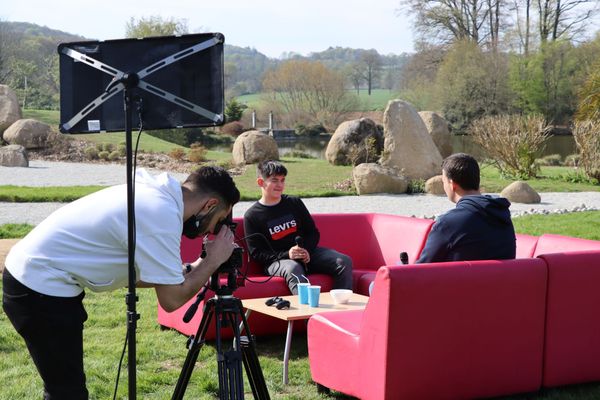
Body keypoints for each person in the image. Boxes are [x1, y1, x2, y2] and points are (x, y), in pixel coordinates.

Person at [2, 165, 240, 399]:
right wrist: (213, 261)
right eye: (218, 220)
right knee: (66, 391)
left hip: (38, 277)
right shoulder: (161, 214)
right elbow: (171, 299)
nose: (211, 230)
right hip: (38, 286)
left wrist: (198, 265)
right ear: (210, 205)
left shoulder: (155, 194)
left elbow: (150, 276)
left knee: (65, 387)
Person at [243, 160, 353, 294]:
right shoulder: (252, 216)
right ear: (261, 182)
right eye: (274, 180)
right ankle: (307, 313)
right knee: (294, 269)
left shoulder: (294, 203)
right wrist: (287, 254)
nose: (280, 185)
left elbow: (313, 233)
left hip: (306, 254)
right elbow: (257, 254)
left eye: (282, 180)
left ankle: (340, 309)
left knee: (343, 261)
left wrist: (306, 250)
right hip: (277, 261)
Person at [416, 153, 516, 263]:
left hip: (457, 280)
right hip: (501, 280)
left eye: (443, 182)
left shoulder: (448, 223)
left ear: (452, 184)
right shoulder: (502, 216)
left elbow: (421, 271)